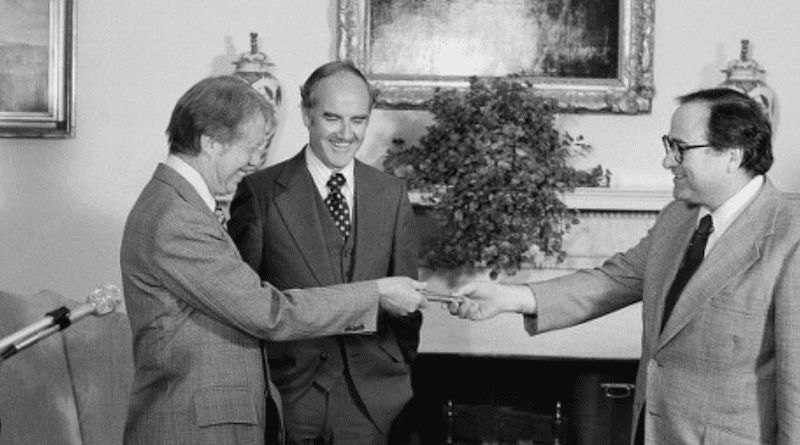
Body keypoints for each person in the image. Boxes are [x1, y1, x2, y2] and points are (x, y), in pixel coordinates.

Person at [448, 88, 800, 444]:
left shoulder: (791, 238)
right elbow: (613, 280)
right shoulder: (677, 219)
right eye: (668, 145)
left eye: (679, 148)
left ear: (732, 155)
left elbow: (796, 386)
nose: (667, 161)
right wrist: (507, 298)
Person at [120, 75, 427, 445]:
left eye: (358, 119)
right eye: (249, 148)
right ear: (210, 143)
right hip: (197, 422)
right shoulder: (177, 216)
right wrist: (374, 293)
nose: (253, 161)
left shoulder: (176, 204)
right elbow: (268, 312)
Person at [227, 61, 421, 445]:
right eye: (332, 118)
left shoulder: (391, 195)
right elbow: (239, 304)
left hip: (371, 400)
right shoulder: (260, 193)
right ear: (306, 115)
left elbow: (407, 305)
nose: (346, 133)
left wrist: (394, 369)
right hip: (289, 396)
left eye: (358, 120)